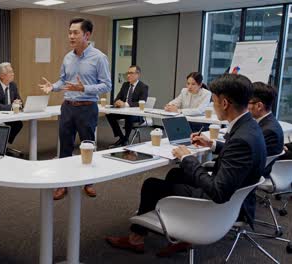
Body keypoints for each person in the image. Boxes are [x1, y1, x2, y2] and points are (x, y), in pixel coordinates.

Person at [106, 74, 266, 257]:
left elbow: (218, 192)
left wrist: (187, 157)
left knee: (151, 184)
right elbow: (237, 153)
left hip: (220, 203)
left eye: (213, 101)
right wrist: (212, 145)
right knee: (176, 174)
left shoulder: (242, 138)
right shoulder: (250, 127)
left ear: (224, 103)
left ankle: (136, 239)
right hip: (237, 192)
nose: (212, 106)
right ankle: (175, 226)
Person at [39, 17, 112, 200]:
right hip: (68, 107)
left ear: (87, 35)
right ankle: (63, 183)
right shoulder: (68, 57)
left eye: (75, 32)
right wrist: (53, 87)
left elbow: (107, 86)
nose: (71, 36)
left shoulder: (99, 58)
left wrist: (84, 88)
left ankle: (88, 182)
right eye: (70, 32)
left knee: (87, 146)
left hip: (87, 108)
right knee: (64, 146)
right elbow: (63, 80)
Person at [106, 65, 148, 148]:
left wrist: (125, 104)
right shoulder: (125, 85)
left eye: (131, 73)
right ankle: (122, 138)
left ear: (138, 74)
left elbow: (141, 102)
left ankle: (126, 139)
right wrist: (117, 102)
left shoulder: (143, 87)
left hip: (137, 114)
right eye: (128, 73)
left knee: (129, 116)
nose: (128, 75)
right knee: (109, 115)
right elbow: (116, 99)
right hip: (123, 112)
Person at [248, 82, 284, 177]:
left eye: (247, 102)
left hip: (255, 175)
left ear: (259, 106)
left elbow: (246, 155)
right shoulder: (268, 123)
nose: (245, 106)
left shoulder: (268, 130)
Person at [0, 62, 23, 144]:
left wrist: (18, 103)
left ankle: (3, 143)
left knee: (18, 124)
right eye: (10, 72)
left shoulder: (13, 85)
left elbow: (20, 102)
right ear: (2, 75)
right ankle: (0, 144)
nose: (13, 74)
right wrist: (13, 106)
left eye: (12, 72)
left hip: (10, 117)